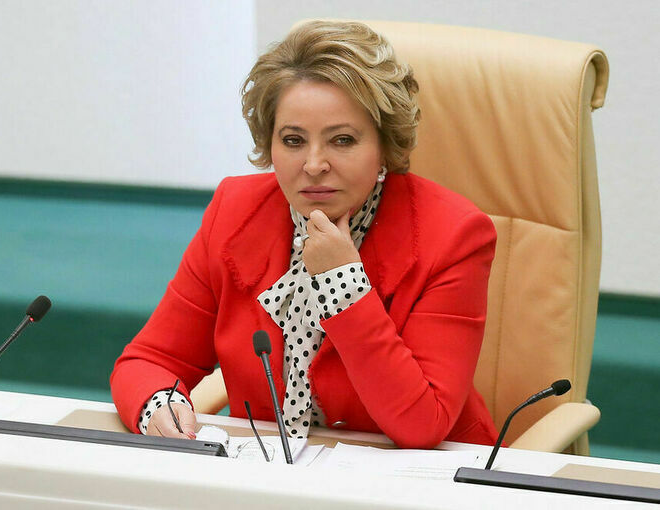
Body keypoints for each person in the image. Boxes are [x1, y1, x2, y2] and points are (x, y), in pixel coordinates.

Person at [111, 20, 499, 448]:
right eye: (294, 140)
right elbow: (151, 360)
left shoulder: (455, 235)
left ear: (385, 145)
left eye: (342, 140)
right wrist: (158, 405)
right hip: (269, 469)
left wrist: (343, 283)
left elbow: (422, 424)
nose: (314, 165)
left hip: (417, 473)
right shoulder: (235, 210)